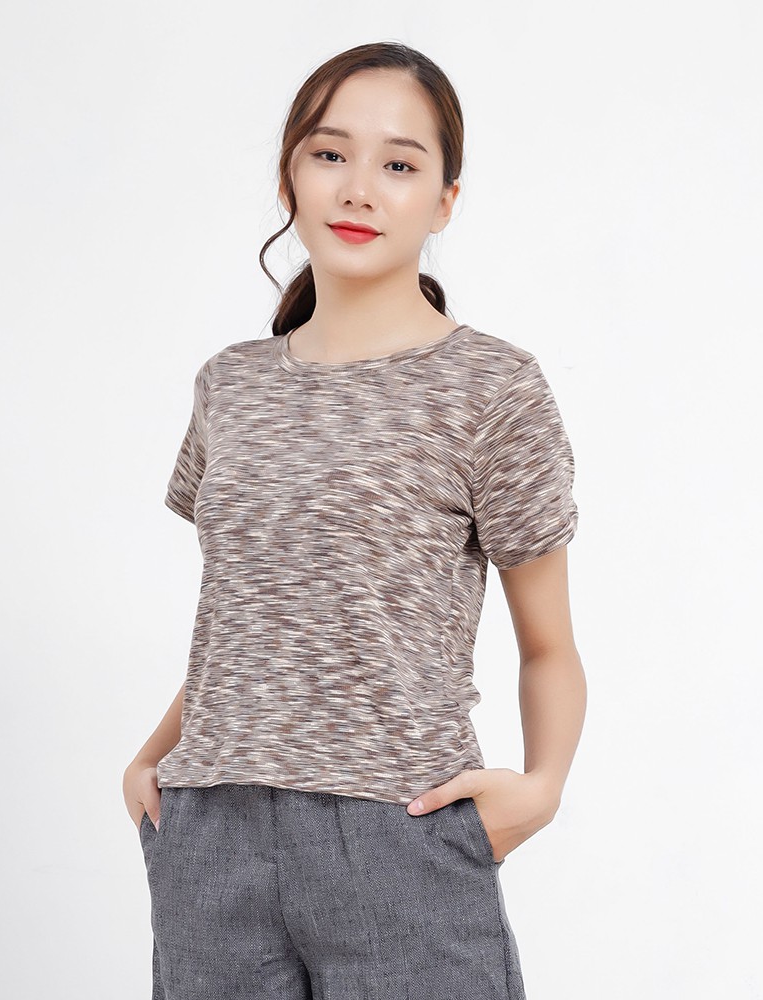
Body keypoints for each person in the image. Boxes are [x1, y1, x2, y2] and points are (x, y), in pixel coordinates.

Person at [121, 40, 586, 1000]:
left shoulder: (492, 388)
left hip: (400, 833)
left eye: (399, 165)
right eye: (330, 154)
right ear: (288, 175)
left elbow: (548, 644)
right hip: (210, 839)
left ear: (444, 201)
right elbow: (247, 622)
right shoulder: (231, 385)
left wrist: (541, 788)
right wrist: (154, 756)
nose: (358, 189)